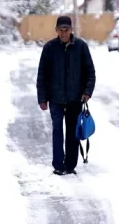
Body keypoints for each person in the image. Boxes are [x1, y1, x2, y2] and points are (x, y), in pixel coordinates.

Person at [36, 15, 96, 175]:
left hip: (75, 99)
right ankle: (58, 165)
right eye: (60, 30)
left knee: (72, 132)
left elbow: (90, 72)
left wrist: (87, 92)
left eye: (66, 30)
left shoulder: (81, 47)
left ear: (71, 30)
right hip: (55, 98)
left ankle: (70, 165)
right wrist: (42, 98)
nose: (63, 33)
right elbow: (42, 75)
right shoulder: (49, 48)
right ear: (56, 30)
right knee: (57, 130)